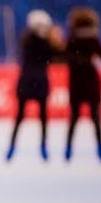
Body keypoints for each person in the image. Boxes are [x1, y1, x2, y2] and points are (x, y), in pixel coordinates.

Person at [6, 10, 63, 162]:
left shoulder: (26, 40)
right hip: (37, 83)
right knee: (39, 117)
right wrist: (55, 40)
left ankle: (14, 146)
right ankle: (40, 147)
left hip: (28, 82)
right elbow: (57, 56)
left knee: (22, 117)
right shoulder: (40, 42)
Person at [63, 8, 101, 163]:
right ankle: (100, 148)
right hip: (91, 80)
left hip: (76, 81)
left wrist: (77, 59)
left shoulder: (72, 38)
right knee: (95, 117)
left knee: (74, 117)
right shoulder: (94, 39)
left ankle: (68, 148)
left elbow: (64, 56)